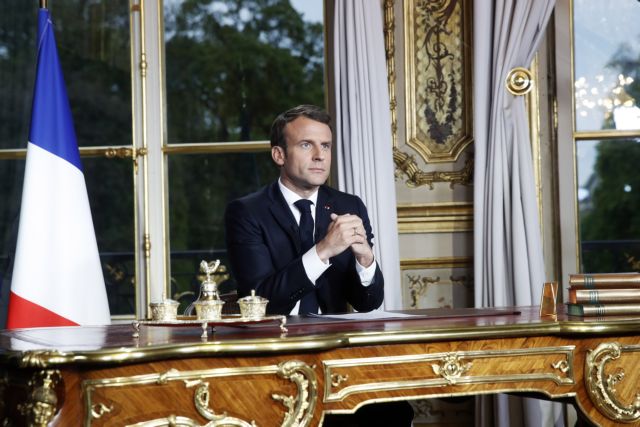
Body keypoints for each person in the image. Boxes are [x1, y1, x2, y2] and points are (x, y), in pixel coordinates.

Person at [224, 105, 414, 426]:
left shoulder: (348, 205)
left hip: (337, 357)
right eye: (306, 145)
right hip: (276, 358)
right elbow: (261, 302)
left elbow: (368, 302)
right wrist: (324, 250)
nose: (319, 156)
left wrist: (365, 259)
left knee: (394, 411)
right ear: (279, 155)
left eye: (325, 146)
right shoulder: (247, 212)